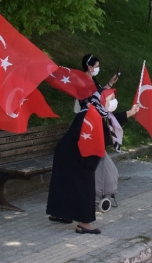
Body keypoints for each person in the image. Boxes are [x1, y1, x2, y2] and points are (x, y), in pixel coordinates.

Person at [46, 90, 140, 232]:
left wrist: (131, 112)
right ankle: (84, 224)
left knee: (65, 183)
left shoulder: (98, 111)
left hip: (69, 151)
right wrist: (89, 164)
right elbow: (88, 140)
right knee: (86, 186)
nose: (114, 101)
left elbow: (112, 119)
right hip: (75, 153)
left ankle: (59, 213)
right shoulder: (92, 114)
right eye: (112, 98)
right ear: (103, 100)